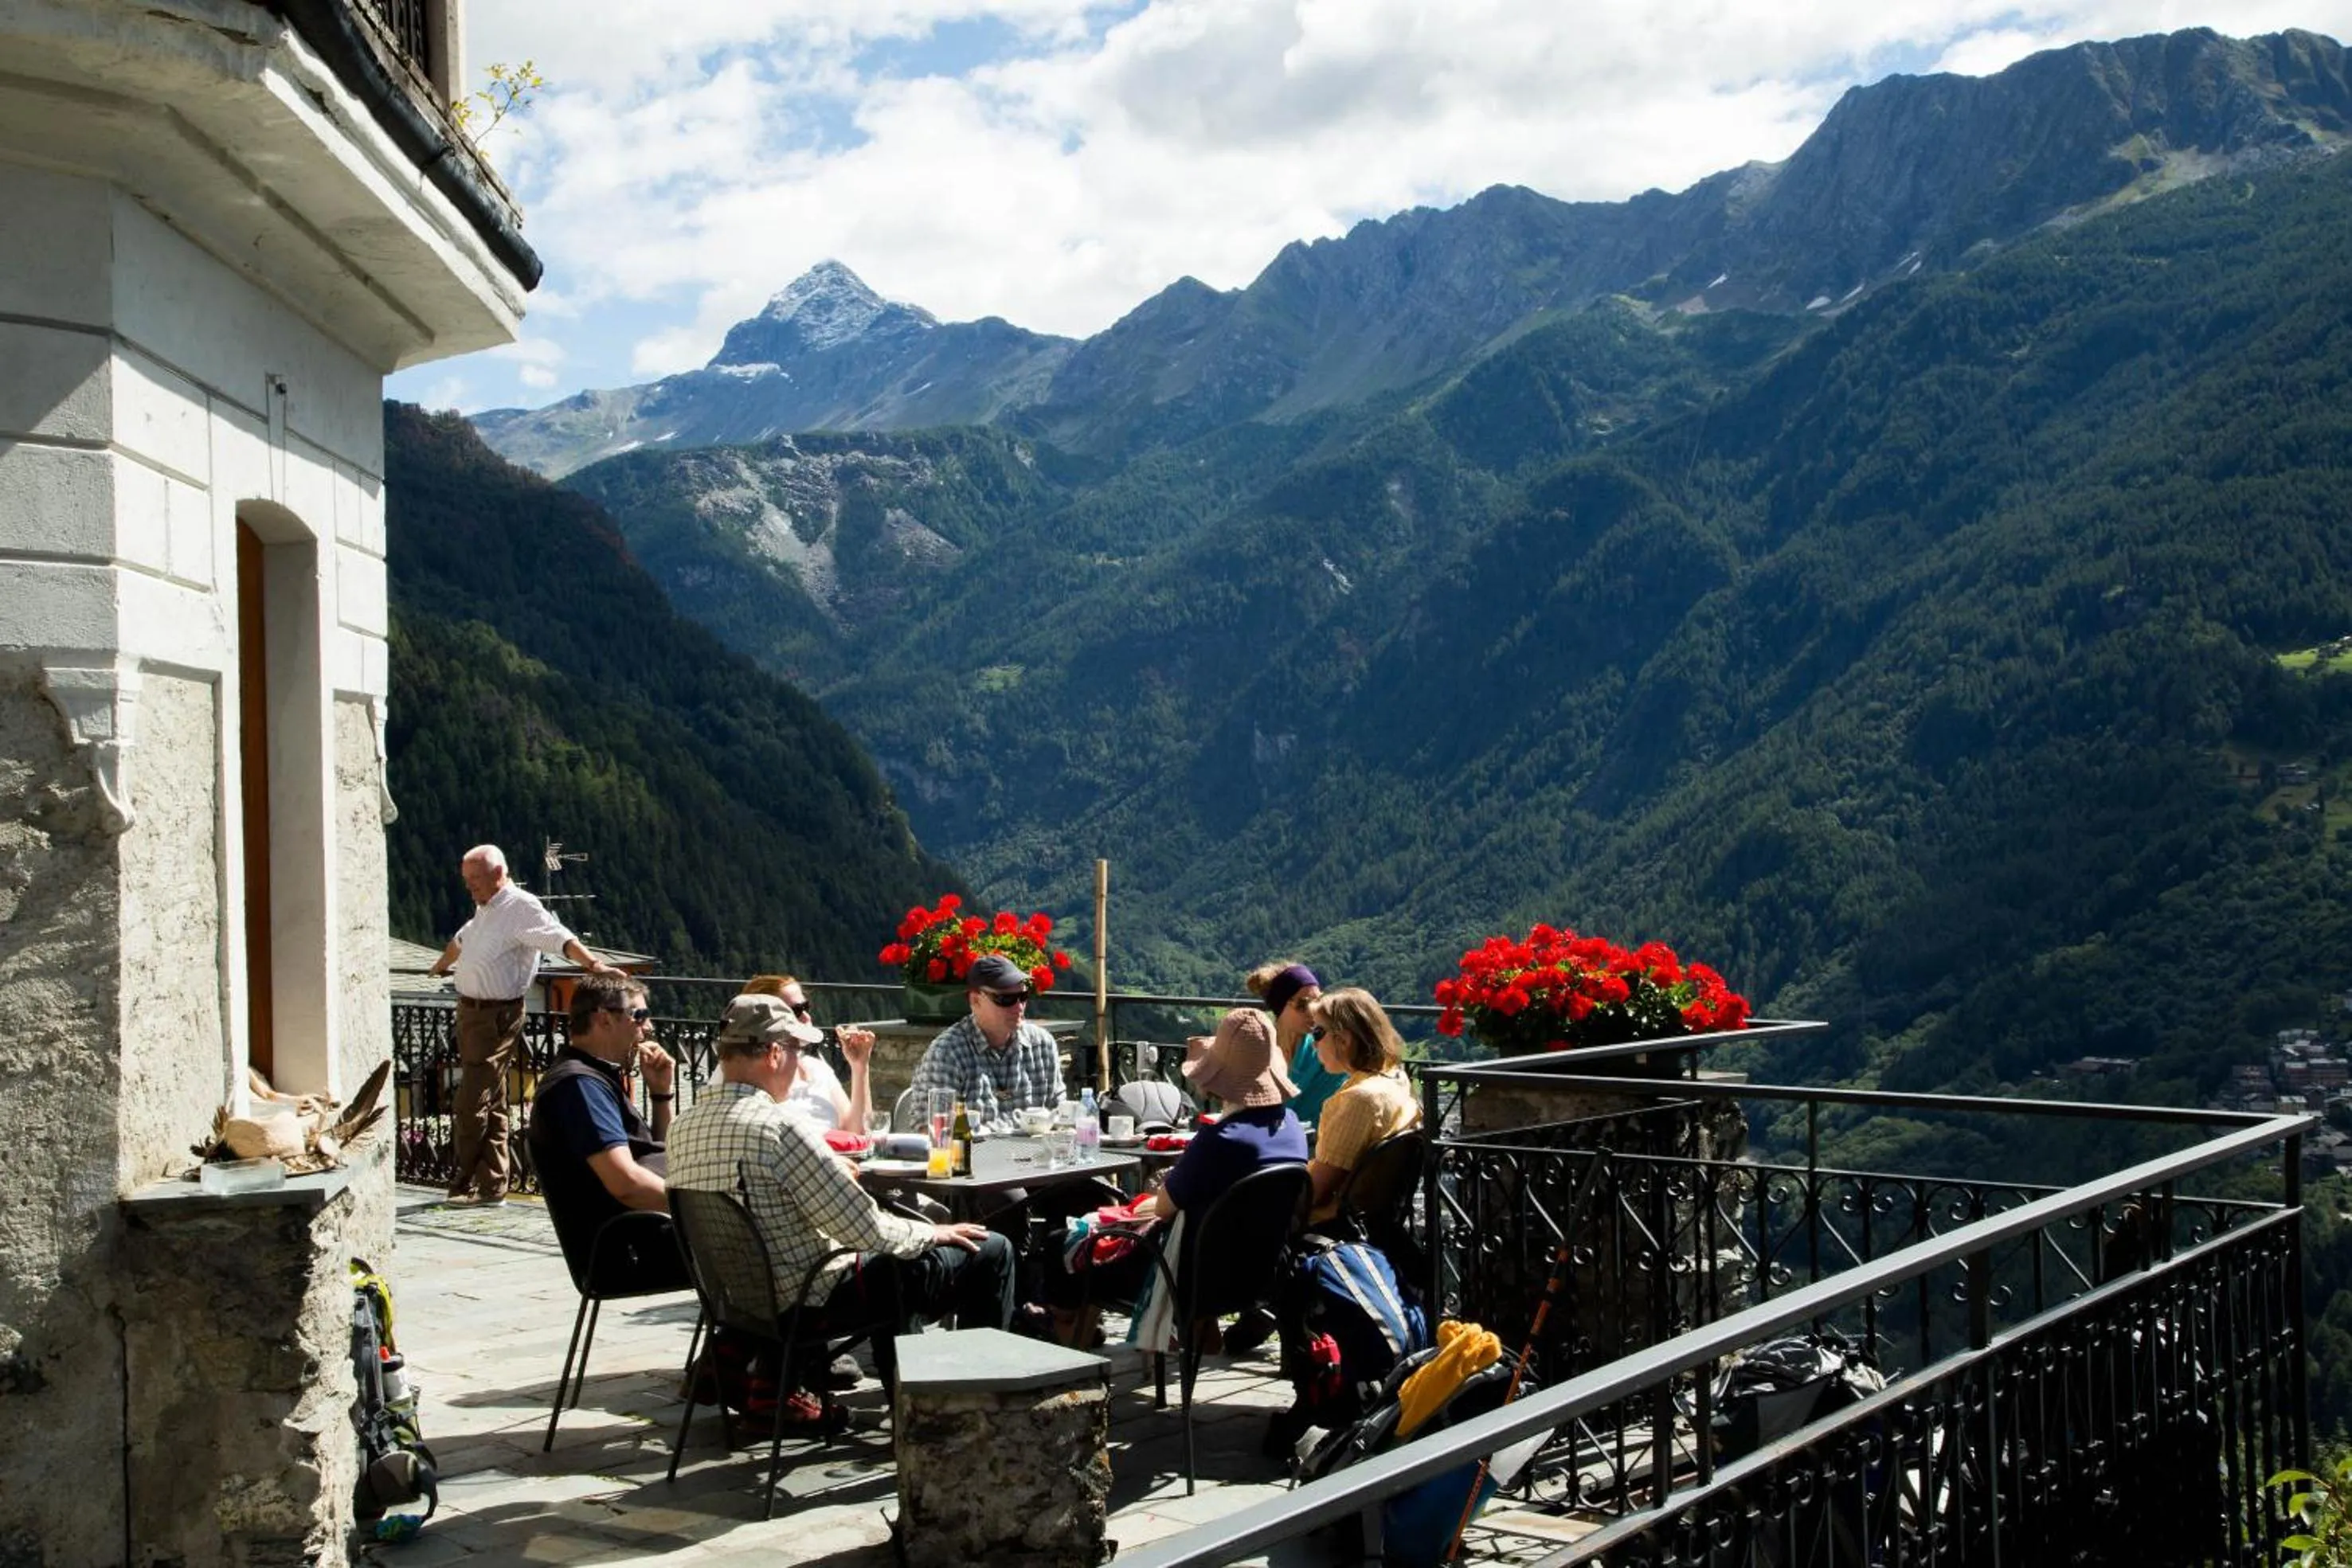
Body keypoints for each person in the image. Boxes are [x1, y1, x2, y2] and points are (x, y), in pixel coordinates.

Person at [668, 994, 1019, 1386]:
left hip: (739, 1304)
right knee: (989, 1249)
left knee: (894, 1264)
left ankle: (913, 1395)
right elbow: (865, 1228)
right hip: (810, 1300)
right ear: (773, 1054)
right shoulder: (778, 1128)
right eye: (797, 1050)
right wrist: (934, 1232)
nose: (799, 1062)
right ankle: (981, 1395)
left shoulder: (683, 1126)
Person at [1046, 1007, 1308, 1345]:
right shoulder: (1291, 1129)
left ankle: (1070, 1349)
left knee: (1061, 1245)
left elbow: (1164, 1208)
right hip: (1260, 1276)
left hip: (1192, 1280)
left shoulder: (1220, 1141)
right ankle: (1200, 1329)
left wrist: (1121, 1214)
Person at [427, 843, 620, 1205]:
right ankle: (492, 1185)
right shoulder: (486, 908)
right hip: (473, 1014)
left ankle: (462, 1179)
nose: (470, 888)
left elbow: (559, 937)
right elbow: (461, 941)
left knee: (471, 1100)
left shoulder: (520, 906)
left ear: (499, 874)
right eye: (466, 881)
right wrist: (441, 965)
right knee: (493, 1098)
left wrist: (594, 966)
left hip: (495, 1016)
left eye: (476, 880)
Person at [525, 973, 691, 1292]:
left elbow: (658, 1154)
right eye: (638, 1016)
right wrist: (702, 1211)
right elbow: (625, 1183)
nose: (648, 1027)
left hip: (642, 1233)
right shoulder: (579, 1086)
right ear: (603, 1019)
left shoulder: (593, 1077)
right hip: (626, 1250)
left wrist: (661, 1094)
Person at [1303, 987, 1423, 1226]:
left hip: (1328, 1227)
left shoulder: (1359, 1100)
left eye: (1317, 1033)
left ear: (1344, 1040)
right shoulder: (1396, 1079)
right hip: (1375, 1224)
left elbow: (1316, 1192)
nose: (1313, 1043)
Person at [905, 953, 1065, 1116]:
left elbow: (1061, 1115)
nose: (1019, 1008)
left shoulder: (1042, 1045)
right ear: (975, 1000)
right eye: (1005, 999)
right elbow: (933, 1129)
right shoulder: (947, 1053)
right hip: (972, 1143)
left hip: (1036, 1143)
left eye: (1022, 997)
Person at [739, 973, 876, 1130]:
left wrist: (860, 1067)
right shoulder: (749, 1075)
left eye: (805, 1007)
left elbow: (859, 1132)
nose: (806, 1017)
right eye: (796, 1011)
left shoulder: (816, 1069)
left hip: (836, 1154)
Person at [1250, 960, 1344, 1125]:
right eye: (1303, 1004)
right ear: (1280, 1007)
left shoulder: (1327, 1053)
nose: (1313, 1010)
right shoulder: (1256, 1051)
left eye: (1318, 1001)